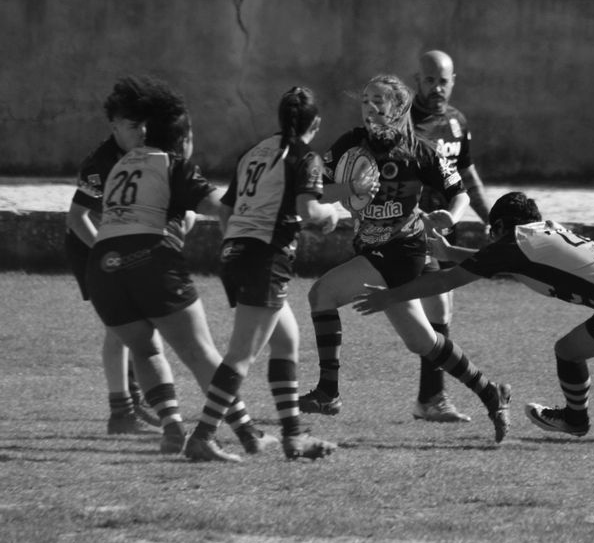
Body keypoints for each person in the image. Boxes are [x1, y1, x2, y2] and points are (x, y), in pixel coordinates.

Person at [353, 191, 594, 438]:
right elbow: (507, 265)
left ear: (501, 227)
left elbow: (447, 282)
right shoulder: (541, 235)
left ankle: (575, 420)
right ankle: (574, 418)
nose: (491, 239)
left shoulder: (515, 242)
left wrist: (392, 297)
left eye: (493, 232)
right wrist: (451, 251)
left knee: (568, 351)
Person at [298, 73, 511, 444]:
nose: (369, 108)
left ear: (398, 108)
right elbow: (316, 192)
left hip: (404, 250)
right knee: (423, 341)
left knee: (322, 295)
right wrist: (349, 189)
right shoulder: (351, 144)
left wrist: (452, 216)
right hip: (375, 250)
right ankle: (491, 392)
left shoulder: (420, 150)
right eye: (365, 100)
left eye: (379, 100)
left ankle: (329, 393)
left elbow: (457, 192)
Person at [87, 78, 275, 456]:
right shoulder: (173, 164)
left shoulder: (123, 163)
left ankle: (173, 429)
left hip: (103, 267)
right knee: (200, 353)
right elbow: (219, 207)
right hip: (150, 262)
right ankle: (247, 433)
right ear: (183, 136)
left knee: (145, 350)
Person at [184, 86, 341, 462]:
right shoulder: (306, 157)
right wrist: (332, 214)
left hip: (236, 254)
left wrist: (238, 244)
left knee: (287, 340)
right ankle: (203, 436)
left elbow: (225, 209)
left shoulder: (253, 152)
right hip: (264, 260)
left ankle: (293, 438)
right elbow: (309, 211)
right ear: (315, 123)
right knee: (241, 355)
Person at [65, 78, 161, 435]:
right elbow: (77, 218)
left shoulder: (146, 152)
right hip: (93, 248)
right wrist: (110, 257)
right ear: (114, 126)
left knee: (143, 324)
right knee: (119, 330)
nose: (143, 131)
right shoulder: (100, 164)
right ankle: (122, 412)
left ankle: (138, 405)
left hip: (123, 249)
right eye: (134, 125)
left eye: (145, 124)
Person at [409, 50, 492, 423]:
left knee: (439, 314)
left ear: (453, 80)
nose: (437, 87)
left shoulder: (458, 122)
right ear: (417, 80)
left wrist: (493, 218)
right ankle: (432, 400)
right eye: (430, 80)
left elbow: (468, 177)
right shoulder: (404, 122)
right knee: (438, 311)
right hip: (410, 229)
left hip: (445, 232)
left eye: (443, 81)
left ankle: (429, 399)